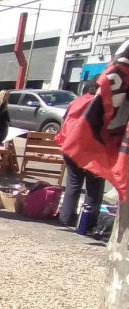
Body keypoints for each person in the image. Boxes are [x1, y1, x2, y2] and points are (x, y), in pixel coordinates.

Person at [56, 79, 104, 231]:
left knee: (73, 184)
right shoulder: (101, 103)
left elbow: (64, 122)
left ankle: (66, 218)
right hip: (93, 151)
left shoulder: (75, 102)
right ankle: (88, 223)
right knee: (94, 188)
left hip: (71, 148)